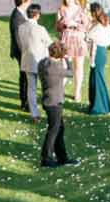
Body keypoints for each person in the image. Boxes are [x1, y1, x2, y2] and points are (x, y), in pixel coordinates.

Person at [38, 40, 73, 168]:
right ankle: (46, 158)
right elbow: (70, 73)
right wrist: (68, 60)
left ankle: (62, 157)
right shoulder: (56, 68)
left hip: (48, 100)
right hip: (54, 102)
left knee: (59, 129)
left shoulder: (43, 63)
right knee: (54, 130)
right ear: (60, 55)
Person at [19, 3, 51, 121]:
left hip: (27, 60)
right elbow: (49, 43)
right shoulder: (40, 29)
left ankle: (35, 114)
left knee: (31, 88)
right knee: (45, 88)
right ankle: (48, 110)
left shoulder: (21, 27)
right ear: (37, 15)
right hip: (40, 62)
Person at [57, 0, 88, 102]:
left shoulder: (81, 9)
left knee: (78, 66)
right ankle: (60, 90)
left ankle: (77, 92)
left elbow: (86, 26)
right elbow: (57, 27)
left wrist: (75, 24)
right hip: (66, 40)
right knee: (64, 66)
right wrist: (63, 23)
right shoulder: (61, 9)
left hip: (78, 40)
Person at [87, 5, 110, 115]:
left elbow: (88, 36)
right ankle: (97, 104)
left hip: (98, 52)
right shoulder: (105, 24)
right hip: (101, 52)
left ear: (94, 13)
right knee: (95, 78)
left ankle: (99, 107)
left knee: (98, 79)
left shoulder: (98, 26)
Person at [9, 0, 30, 112]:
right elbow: (18, 39)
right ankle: (24, 101)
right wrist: (25, 54)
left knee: (25, 76)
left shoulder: (22, 13)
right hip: (21, 52)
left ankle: (25, 100)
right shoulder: (17, 17)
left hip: (24, 51)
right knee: (24, 77)